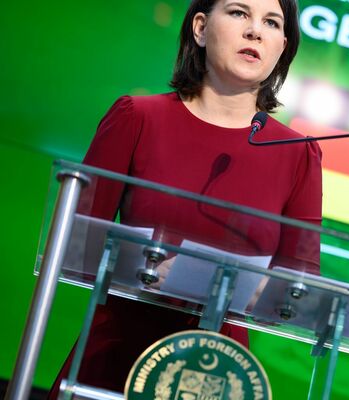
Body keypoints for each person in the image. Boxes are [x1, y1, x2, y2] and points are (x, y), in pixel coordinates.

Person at [48, 0, 320, 396]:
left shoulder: (299, 153)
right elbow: (75, 246)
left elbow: (302, 285)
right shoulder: (137, 117)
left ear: (282, 46)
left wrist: (263, 292)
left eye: (272, 22)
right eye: (239, 13)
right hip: (115, 359)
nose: (255, 31)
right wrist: (141, 268)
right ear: (200, 28)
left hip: (216, 374)